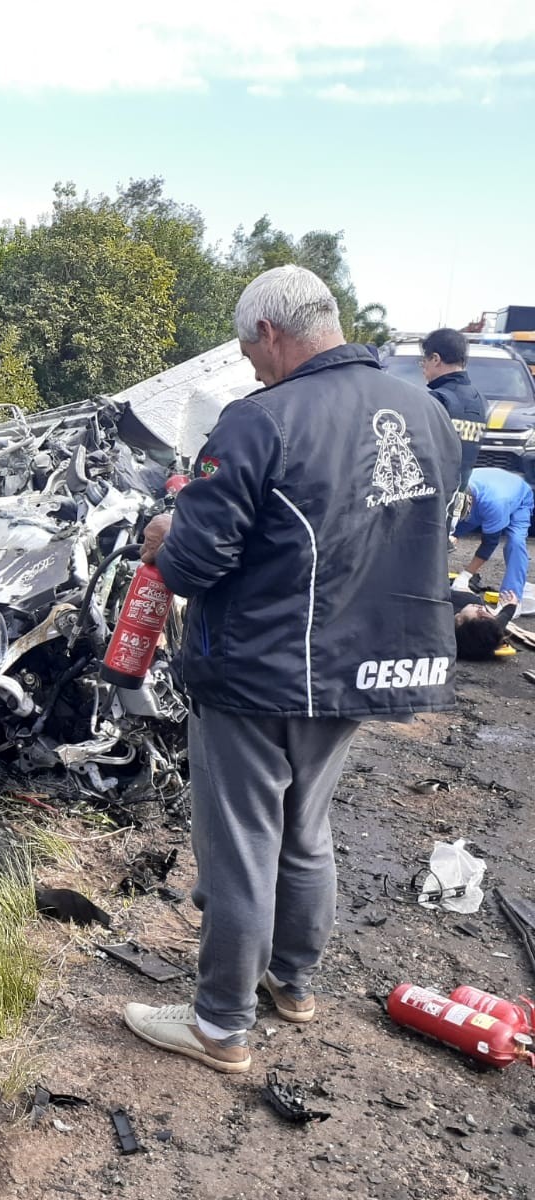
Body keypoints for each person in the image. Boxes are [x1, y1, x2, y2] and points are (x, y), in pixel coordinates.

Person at [122, 265, 460, 1073]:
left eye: (249, 353)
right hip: (360, 666)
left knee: (241, 843)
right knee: (305, 830)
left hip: (260, 670)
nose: (251, 369)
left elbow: (197, 566)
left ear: (270, 333)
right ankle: (293, 984)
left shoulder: (260, 421)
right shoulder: (428, 411)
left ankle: (218, 1025)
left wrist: (170, 534)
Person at [451, 465, 532, 627]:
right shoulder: (454, 486)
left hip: (518, 498)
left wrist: (466, 576)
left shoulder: (495, 504)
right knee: (449, 533)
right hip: (485, 489)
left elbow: (490, 543)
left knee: (515, 543)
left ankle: (511, 600)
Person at [420, 327, 486, 493]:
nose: (423, 368)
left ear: (435, 359)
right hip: (459, 494)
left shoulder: (437, 399)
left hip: (432, 498)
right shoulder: (479, 400)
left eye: (424, 361)